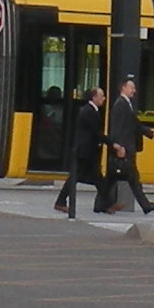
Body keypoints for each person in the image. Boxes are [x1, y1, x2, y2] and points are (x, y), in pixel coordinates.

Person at [104, 78, 154, 215]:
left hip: (125, 147)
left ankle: (100, 205)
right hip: (124, 148)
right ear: (123, 88)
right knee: (132, 178)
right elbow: (117, 128)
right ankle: (146, 205)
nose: (134, 90)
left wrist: (151, 133)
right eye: (131, 87)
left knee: (114, 179)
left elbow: (135, 125)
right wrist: (118, 147)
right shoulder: (121, 105)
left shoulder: (125, 104)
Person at [55, 85, 103, 216]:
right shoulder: (88, 111)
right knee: (77, 177)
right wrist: (112, 143)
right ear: (94, 97)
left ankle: (107, 203)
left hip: (88, 151)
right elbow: (95, 132)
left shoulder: (91, 110)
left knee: (97, 178)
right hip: (85, 151)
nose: (103, 99)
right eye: (101, 96)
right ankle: (60, 201)